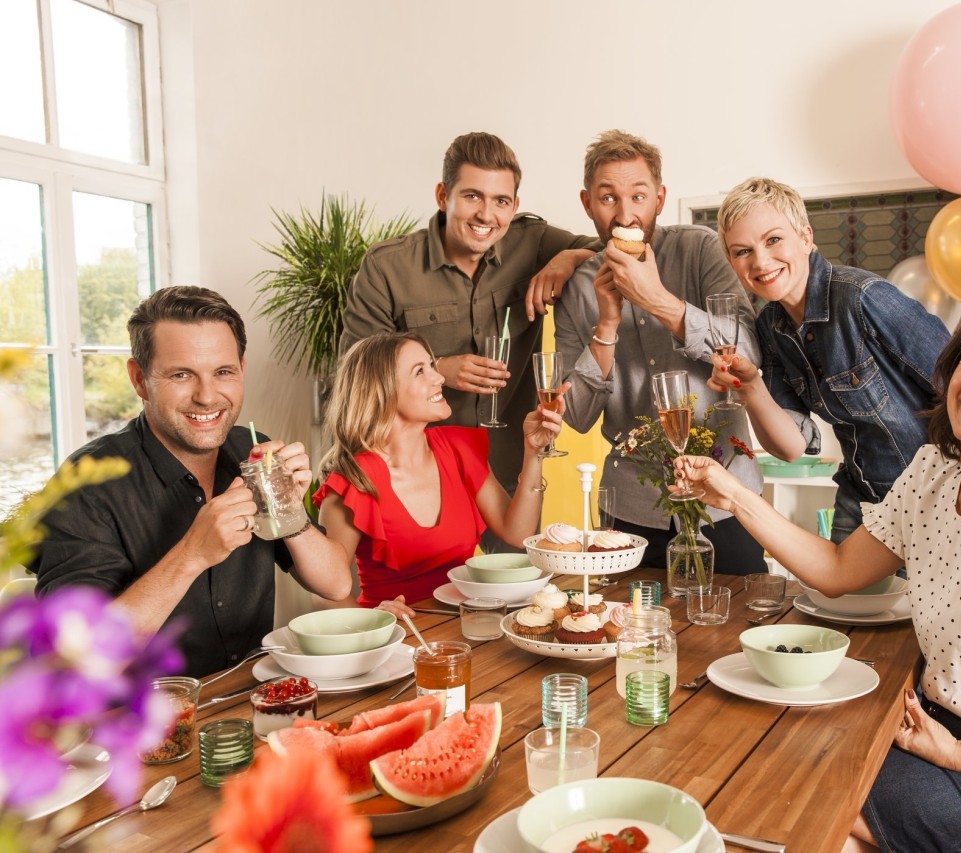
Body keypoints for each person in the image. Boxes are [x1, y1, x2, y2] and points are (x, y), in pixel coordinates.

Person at [677, 297, 961, 852]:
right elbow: (839, 570)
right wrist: (732, 493)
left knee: (799, 795)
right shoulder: (933, 474)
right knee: (777, 763)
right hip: (932, 733)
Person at [33, 286, 352, 679]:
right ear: (139, 379)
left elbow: (337, 583)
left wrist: (288, 513)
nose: (207, 396)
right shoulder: (83, 487)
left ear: (241, 371)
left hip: (254, 698)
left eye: (223, 372)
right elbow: (76, 658)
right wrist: (192, 555)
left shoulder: (252, 451)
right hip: (144, 725)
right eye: (182, 374)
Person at [339, 132, 596, 551]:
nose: (487, 214)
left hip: (508, 470)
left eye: (501, 201)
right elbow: (353, 371)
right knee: (418, 607)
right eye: (473, 196)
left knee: (517, 601)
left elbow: (619, 251)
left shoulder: (533, 242)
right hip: (418, 478)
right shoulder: (388, 267)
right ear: (444, 195)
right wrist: (438, 367)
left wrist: (568, 258)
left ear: (514, 204)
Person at [554, 129, 765, 572]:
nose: (625, 212)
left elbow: (749, 352)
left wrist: (656, 300)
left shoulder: (701, 249)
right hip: (632, 508)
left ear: (660, 198)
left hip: (726, 496)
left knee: (738, 624)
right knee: (633, 630)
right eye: (608, 197)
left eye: (638, 195)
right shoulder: (578, 288)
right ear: (587, 203)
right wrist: (607, 324)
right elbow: (574, 414)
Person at [714, 176, 951, 543]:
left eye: (773, 239)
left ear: (805, 238)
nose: (760, 261)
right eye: (742, 251)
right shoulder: (771, 329)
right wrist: (750, 387)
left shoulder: (862, 298)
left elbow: (958, 388)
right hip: (862, 500)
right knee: (838, 599)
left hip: (937, 500)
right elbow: (791, 447)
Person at [314, 331, 563, 617]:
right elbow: (323, 594)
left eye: (431, 366)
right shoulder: (354, 481)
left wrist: (534, 452)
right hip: (396, 640)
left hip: (463, 625)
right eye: (420, 371)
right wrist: (373, 621)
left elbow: (517, 533)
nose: (439, 378)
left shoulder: (458, 448)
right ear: (382, 390)